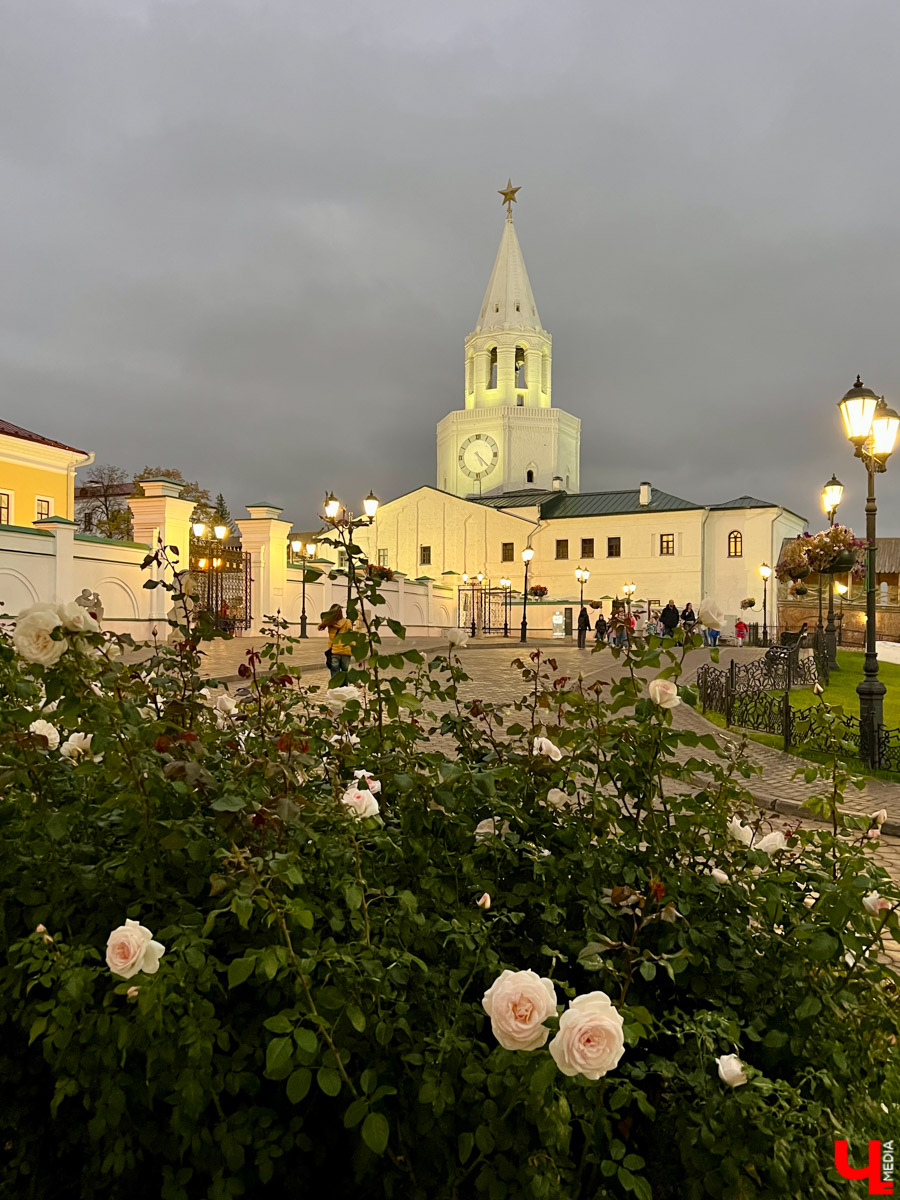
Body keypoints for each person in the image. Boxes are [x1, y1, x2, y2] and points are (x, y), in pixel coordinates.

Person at [318, 604, 353, 679]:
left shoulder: (330, 623)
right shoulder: (347, 622)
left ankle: (335, 689)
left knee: (334, 674)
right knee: (345, 673)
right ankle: (344, 689)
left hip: (334, 651)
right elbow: (350, 637)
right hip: (346, 652)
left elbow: (323, 617)